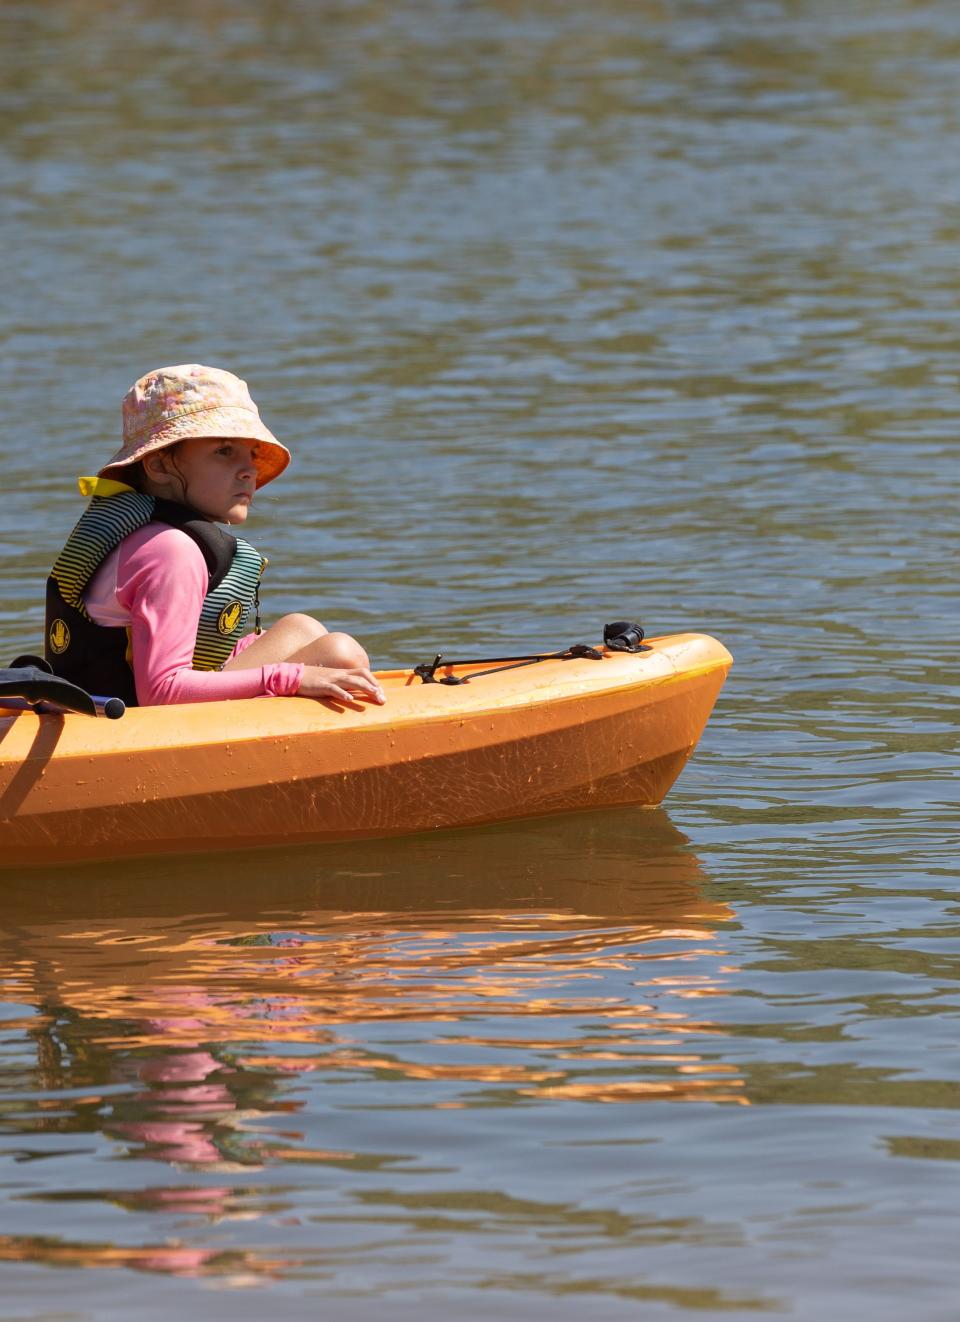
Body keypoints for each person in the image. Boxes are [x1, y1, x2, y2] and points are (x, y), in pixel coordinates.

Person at [45, 363, 385, 708]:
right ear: (159, 466)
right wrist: (290, 678)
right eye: (224, 451)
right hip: (129, 725)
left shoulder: (149, 533)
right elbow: (161, 691)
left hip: (117, 699)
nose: (250, 469)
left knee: (302, 629)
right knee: (339, 654)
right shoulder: (170, 550)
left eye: (251, 453)